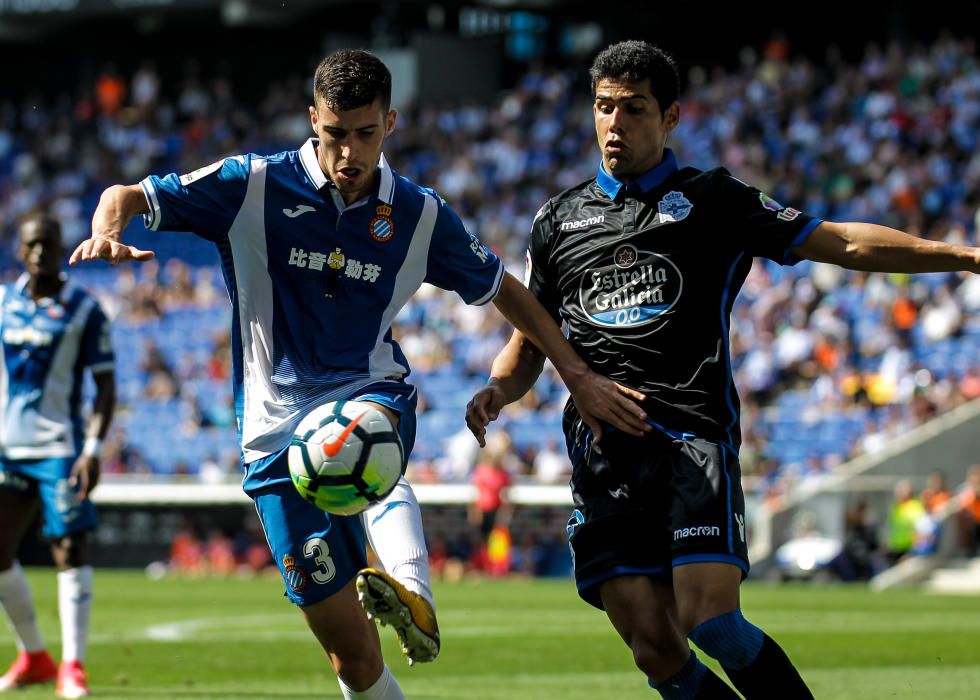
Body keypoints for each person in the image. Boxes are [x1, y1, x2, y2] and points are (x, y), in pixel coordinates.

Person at [70, 49, 646, 699]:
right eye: (334, 134)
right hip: (271, 439)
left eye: (365, 135)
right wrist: (107, 225)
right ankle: (394, 609)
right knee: (353, 659)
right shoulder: (253, 184)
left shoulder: (419, 216)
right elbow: (129, 195)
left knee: (361, 431)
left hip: (368, 389)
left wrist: (573, 373)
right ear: (312, 119)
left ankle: (413, 591)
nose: (349, 153)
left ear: (391, 123)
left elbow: (505, 289)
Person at [466, 39, 980, 700]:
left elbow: (843, 241)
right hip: (603, 458)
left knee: (712, 624)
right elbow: (529, 340)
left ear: (671, 116)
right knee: (655, 649)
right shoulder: (557, 222)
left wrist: (964, 256)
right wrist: (497, 391)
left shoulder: (714, 200)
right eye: (603, 108)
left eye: (633, 109)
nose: (614, 125)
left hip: (691, 438)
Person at [0, 214, 116, 698]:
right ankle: (35, 656)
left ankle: (73, 666)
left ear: (60, 246)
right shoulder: (3, 303)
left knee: (69, 547)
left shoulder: (85, 310)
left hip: (60, 450)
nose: (39, 252)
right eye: (31, 244)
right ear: (19, 250)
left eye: (47, 243)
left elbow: (106, 386)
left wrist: (92, 448)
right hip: (7, 448)